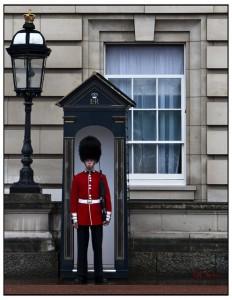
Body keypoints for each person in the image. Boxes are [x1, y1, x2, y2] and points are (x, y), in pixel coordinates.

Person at [70, 136, 112, 284]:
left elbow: (107, 196)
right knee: (82, 248)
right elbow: (73, 199)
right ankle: (81, 276)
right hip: (82, 216)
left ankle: (99, 276)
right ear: (84, 161)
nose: (89, 162)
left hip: (96, 216)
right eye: (87, 160)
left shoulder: (102, 177)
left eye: (91, 160)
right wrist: (74, 219)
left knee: (97, 248)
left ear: (95, 161)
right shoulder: (77, 178)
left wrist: (107, 216)